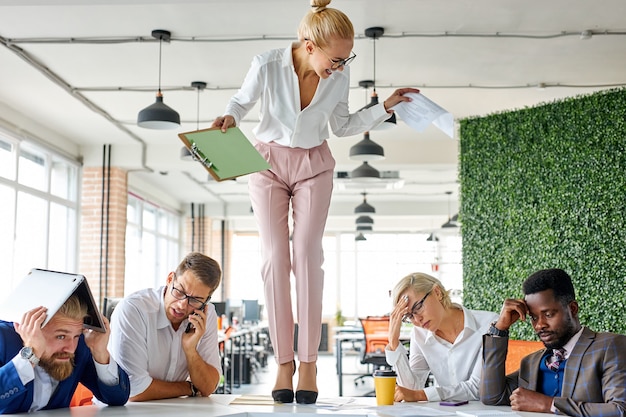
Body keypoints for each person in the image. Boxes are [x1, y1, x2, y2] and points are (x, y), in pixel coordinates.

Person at [211, 0, 419, 404]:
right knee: (275, 258)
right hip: (267, 162)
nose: (341, 67)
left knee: (306, 254)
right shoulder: (268, 64)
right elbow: (240, 101)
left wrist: (385, 106)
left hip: (314, 165)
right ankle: (283, 363)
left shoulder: (338, 79)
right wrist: (230, 117)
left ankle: (308, 362)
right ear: (309, 45)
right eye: (336, 59)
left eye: (346, 59)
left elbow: (342, 125)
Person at [481, 268, 626, 416]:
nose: (539, 325)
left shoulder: (610, 346)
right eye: (534, 317)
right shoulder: (531, 363)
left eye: (549, 314)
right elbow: (492, 397)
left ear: (573, 309)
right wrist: (500, 329)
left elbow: (620, 410)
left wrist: (548, 404)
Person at [108, 252, 222, 401]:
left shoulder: (206, 316)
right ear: (170, 279)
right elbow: (133, 390)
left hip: (171, 410)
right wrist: (190, 387)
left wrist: (190, 350)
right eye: (180, 291)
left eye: (195, 300)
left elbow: (208, 387)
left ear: (206, 301)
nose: (182, 304)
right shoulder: (134, 310)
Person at [0, 295, 130, 413]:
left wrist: (100, 351)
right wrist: (30, 354)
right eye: (61, 336)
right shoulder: (3, 340)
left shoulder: (80, 347)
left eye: (76, 336)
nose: (71, 348)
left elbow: (117, 398)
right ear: (29, 328)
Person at [386, 272, 498, 402]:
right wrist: (394, 343)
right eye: (409, 316)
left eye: (418, 307)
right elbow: (411, 389)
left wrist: (421, 395)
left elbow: (478, 388)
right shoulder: (419, 334)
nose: (417, 319)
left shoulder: (489, 324)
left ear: (437, 292)